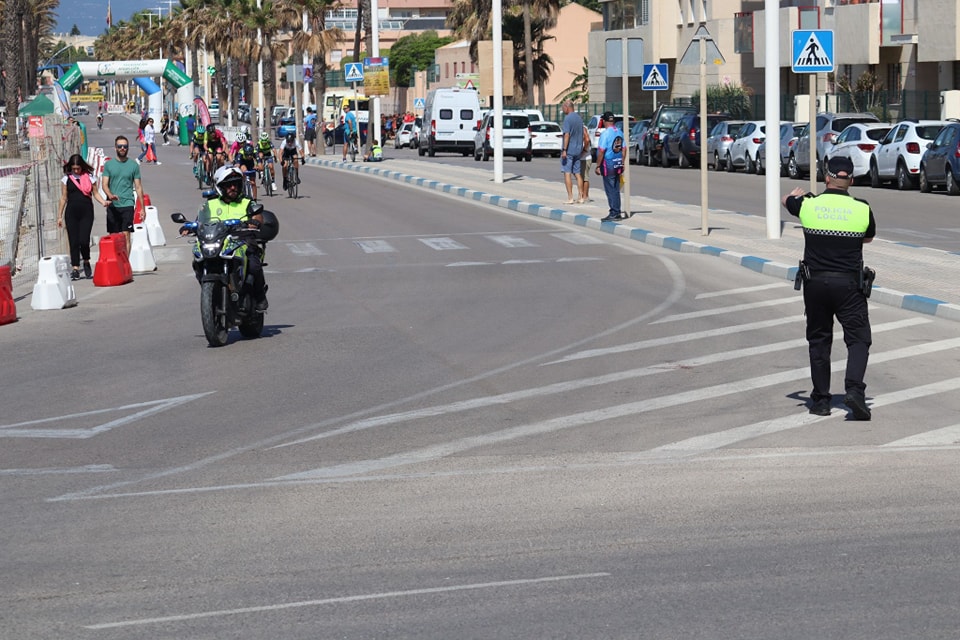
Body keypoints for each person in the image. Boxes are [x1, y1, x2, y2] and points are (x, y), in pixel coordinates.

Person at [782, 156, 876, 420]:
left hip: (815, 284)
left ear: (827, 178)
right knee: (858, 339)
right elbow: (868, 236)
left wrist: (793, 195)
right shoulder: (861, 207)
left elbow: (786, 201)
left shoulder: (808, 205)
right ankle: (855, 392)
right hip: (849, 285)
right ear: (851, 181)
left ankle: (821, 401)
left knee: (819, 340)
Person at [191, 166, 269, 311]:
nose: (233, 187)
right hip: (217, 240)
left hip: (242, 240)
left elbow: (258, 214)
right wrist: (189, 227)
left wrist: (255, 221)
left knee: (253, 264)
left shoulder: (246, 202)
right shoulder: (209, 204)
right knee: (197, 261)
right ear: (221, 187)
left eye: (236, 184)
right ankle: (211, 293)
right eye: (228, 185)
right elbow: (199, 220)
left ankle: (260, 297)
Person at [57, 154, 109, 280]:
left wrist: (103, 202)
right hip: (71, 213)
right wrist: (59, 216)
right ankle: (75, 267)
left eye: (78, 168)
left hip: (86, 212)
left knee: (84, 240)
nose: (76, 171)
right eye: (74, 168)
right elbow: (64, 198)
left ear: (82, 167)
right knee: (73, 241)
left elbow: (95, 193)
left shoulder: (90, 177)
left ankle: (86, 261)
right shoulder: (66, 179)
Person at [101, 135, 145, 257]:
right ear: (115, 148)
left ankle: (125, 262)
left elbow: (138, 187)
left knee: (126, 235)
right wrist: (110, 195)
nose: (122, 148)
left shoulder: (133, 165)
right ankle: (115, 261)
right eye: (120, 146)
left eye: (125, 146)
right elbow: (104, 184)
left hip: (128, 204)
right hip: (113, 205)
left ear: (128, 148)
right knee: (114, 235)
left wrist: (142, 208)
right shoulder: (109, 165)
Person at [594, 111, 624, 222]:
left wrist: (597, 165)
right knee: (616, 188)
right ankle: (617, 211)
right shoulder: (619, 132)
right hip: (618, 163)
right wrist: (622, 162)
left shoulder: (605, 134)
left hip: (608, 165)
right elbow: (624, 149)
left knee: (610, 189)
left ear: (605, 121)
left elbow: (601, 151)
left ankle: (614, 212)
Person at [560, 100, 585, 204]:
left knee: (567, 173)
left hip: (569, 150)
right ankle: (581, 196)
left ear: (567, 107)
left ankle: (570, 197)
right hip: (578, 149)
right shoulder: (579, 118)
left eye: (563, 107)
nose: (562, 110)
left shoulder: (568, 119)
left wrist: (564, 150)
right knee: (578, 173)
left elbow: (567, 135)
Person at [232, 132, 259, 199]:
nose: (249, 156)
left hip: (251, 163)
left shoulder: (253, 150)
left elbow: (260, 163)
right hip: (243, 163)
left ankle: (254, 198)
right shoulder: (240, 152)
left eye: (251, 155)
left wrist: (257, 166)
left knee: (253, 182)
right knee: (243, 170)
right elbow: (238, 163)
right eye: (247, 155)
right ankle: (242, 187)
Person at [579, 122, 592, 202]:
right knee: (581, 177)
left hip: (585, 157)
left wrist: (583, 150)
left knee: (585, 177)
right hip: (583, 157)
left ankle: (585, 196)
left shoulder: (582, 128)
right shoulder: (583, 127)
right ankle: (582, 195)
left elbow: (587, 139)